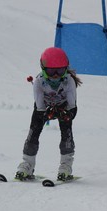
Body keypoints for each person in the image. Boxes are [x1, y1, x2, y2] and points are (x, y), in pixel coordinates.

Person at [16, 47, 82, 181]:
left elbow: (73, 107)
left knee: (67, 132)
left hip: (64, 107)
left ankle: (66, 166)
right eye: (52, 71)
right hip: (44, 107)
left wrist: (67, 114)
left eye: (60, 70)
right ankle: (27, 164)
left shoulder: (69, 81)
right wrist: (47, 114)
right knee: (34, 131)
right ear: (43, 69)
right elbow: (40, 108)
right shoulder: (39, 82)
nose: (56, 75)